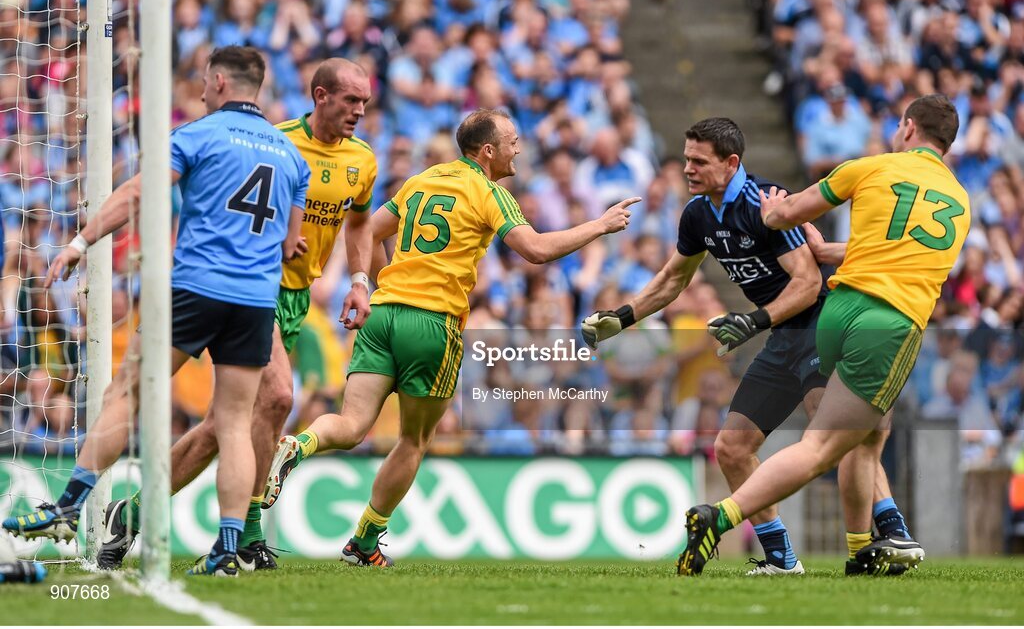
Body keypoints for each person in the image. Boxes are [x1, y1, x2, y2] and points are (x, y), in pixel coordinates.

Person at [262, 108, 638, 566]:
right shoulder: (488, 191)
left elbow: (370, 229)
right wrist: (599, 225)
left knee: (351, 424)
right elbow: (535, 250)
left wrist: (378, 281)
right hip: (433, 323)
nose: (518, 148)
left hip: (382, 314)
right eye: (512, 141)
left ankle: (297, 445)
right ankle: (364, 541)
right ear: (488, 151)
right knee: (414, 440)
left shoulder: (423, 179)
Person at [1, 46, 310, 578]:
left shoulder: (199, 134)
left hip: (196, 287)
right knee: (234, 423)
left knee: (129, 389)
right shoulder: (291, 156)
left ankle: (71, 505)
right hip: (257, 299)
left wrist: (80, 241)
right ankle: (226, 550)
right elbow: (292, 243)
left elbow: (139, 193)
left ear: (217, 82)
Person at [582, 117, 916, 576]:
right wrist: (621, 318)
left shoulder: (768, 203)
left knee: (836, 432)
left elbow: (807, 282)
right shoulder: (698, 213)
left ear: (731, 162)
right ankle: (781, 559)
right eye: (685, 159)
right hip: (782, 337)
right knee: (732, 448)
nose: (687, 168)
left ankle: (889, 530)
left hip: (821, 324)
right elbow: (672, 280)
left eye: (698, 161)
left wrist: (752, 320)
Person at [94, 59, 377, 572]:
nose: (359, 111)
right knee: (280, 396)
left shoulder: (363, 160)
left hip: (296, 299)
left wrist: (359, 280)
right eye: (350, 101)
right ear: (320, 96)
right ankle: (246, 534)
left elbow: (359, 225)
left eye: (365, 103)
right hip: (252, 288)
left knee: (220, 427)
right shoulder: (275, 141)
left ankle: (132, 513)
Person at [676, 94, 969, 576]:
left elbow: (783, 216)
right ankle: (721, 515)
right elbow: (905, 255)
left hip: (835, 312)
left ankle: (866, 550)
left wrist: (787, 220)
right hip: (888, 320)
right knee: (826, 444)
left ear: (909, 128)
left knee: (865, 435)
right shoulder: (959, 200)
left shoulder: (870, 167)